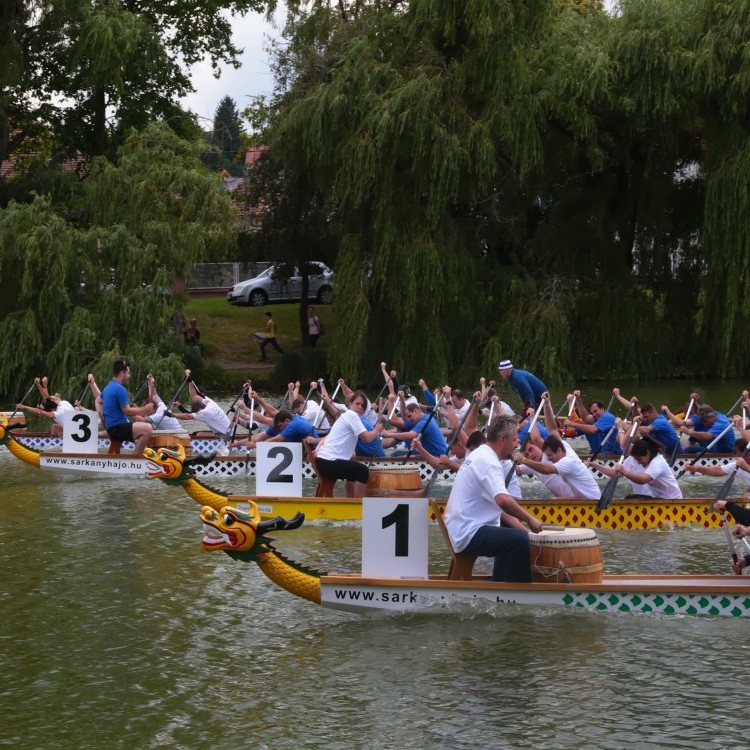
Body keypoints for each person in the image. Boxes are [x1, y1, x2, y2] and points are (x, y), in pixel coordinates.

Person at [443, 415, 543, 582]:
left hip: (462, 527)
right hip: (469, 532)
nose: (517, 444)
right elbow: (503, 500)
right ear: (503, 439)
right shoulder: (489, 461)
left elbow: (502, 510)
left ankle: (500, 583)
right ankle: (517, 596)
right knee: (521, 542)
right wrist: (530, 519)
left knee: (514, 535)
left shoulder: (480, 453)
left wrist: (524, 528)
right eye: (514, 439)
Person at [517, 392, 601, 500]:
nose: (549, 458)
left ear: (559, 451)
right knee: (552, 501)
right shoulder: (563, 446)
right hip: (581, 498)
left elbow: (547, 469)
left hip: (592, 503)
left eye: (550, 456)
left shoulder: (567, 462)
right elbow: (552, 429)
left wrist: (523, 460)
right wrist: (547, 405)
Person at [312, 390, 385, 498]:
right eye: (357, 403)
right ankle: (357, 504)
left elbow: (328, 437)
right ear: (350, 404)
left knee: (352, 472)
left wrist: (318, 448)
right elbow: (366, 438)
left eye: (363, 405)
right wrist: (377, 430)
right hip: (328, 462)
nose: (360, 407)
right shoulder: (352, 416)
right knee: (362, 471)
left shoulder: (345, 416)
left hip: (323, 461)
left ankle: (350, 501)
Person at [589, 435, 682, 499]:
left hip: (673, 500)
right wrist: (596, 465)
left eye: (639, 459)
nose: (638, 462)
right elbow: (615, 473)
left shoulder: (658, 462)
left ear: (648, 453)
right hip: (658, 499)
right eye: (636, 460)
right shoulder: (636, 458)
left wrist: (624, 471)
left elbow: (643, 480)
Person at [100, 359, 154, 454]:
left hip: (112, 429)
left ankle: (133, 458)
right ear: (122, 373)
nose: (129, 376)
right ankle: (136, 461)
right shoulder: (120, 389)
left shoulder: (107, 387)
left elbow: (97, 401)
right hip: (117, 430)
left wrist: (102, 417)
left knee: (141, 428)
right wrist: (145, 409)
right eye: (128, 373)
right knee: (147, 428)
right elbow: (127, 411)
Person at [171, 369, 231, 437]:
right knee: (195, 433)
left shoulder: (205, 412)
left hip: (225, 435)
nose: (192, 400)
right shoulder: (208, 401)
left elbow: (188, 416)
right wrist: (190, 381)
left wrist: (171, 415)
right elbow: (194, 395)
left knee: (198, 435)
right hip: (227, 430)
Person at [561, 390, 621, 455]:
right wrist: (578, 399)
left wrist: (571, 424)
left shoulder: (608, 417)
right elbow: (585, 417)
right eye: (592, 413)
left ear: (602, 409)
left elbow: (592, 430)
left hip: (613, 457)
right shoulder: (592, 420)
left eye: (595, 411)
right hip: (596, 457)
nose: (594, 414)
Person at [382, 402, 449, 458]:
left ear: (415, 411)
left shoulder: (425, 421)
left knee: (398, 456)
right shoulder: (422, 420)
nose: (409, 420)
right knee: (397, 454)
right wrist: (402, 399)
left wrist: (388, 434)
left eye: (409, 416)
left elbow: (411, 435)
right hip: (430, 455)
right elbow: (403, 417)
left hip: (437, 456)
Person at [662, 402, 734, 454]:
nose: (705, 424)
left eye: (705, 421)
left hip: (726, 453)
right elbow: (690, 441)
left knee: (696, 453)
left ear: (711, 416)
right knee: (688, 449)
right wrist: (678, 451)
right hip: (715, 450)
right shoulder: (705, 419)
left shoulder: (721, 423)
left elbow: (707, 436)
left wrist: (689, 432)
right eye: (703, 421)